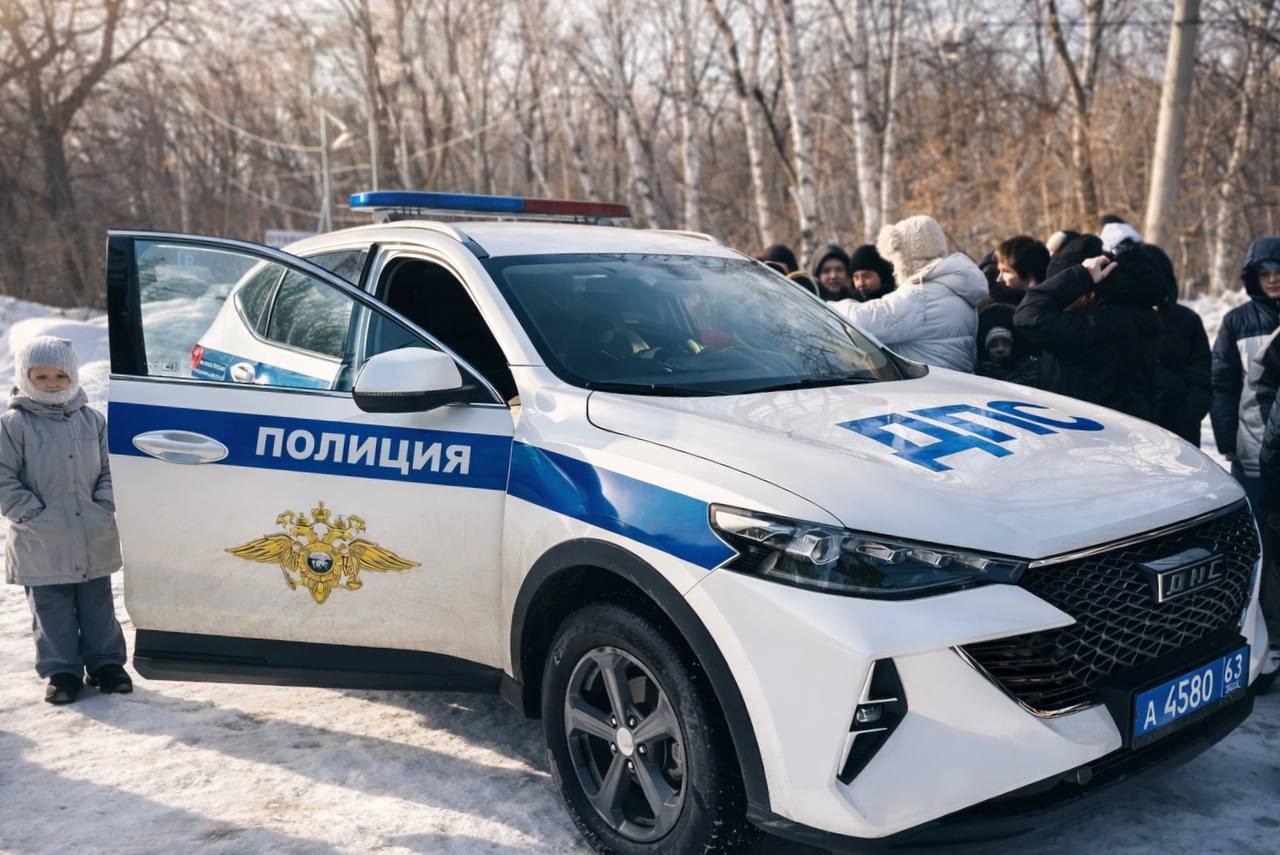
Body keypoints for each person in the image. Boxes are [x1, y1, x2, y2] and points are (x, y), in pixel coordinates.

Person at [0, 336, 130, 704]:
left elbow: (110, 469)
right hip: (41, 538)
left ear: (73, 376)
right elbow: (3, 475)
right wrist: (29, 512)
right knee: (51, 609)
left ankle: (106, 664)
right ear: (25, 377)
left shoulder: (92, 421)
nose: (53, 383)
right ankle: (62, 672)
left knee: (97, 605)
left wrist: (103, 503)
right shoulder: (13, 425)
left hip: (91, 532)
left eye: (60, 375)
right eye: (41, 376)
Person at [1013, 234, 1165, 420]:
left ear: (1085, 290)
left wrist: (1081, 275)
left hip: (1081, 428)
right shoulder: (1144, 319)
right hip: (1127, 426)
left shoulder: (1094, 326)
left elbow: (1027, 315)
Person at [829, 214, 987, 371]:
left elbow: (860, 320)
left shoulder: (920, 295)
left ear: (906, 257)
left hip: (927, 384)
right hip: (954, 379)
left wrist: (824, 306)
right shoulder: (953, 287)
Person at [1210, 237, 1280, 529]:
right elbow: (1222, 385)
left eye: (1278, 271)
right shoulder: (1236, 322)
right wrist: (1228, 440)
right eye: (1264, 273)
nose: (1272, 280)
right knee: (1260, 533)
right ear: (1253, 278)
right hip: (1253, 448)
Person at [1144, 244, 1211, 446]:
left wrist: (1188, 415)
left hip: (1182, 432)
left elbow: (1202, 375)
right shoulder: (1121, 318)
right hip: (1136, 431)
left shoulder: (1187, 320)